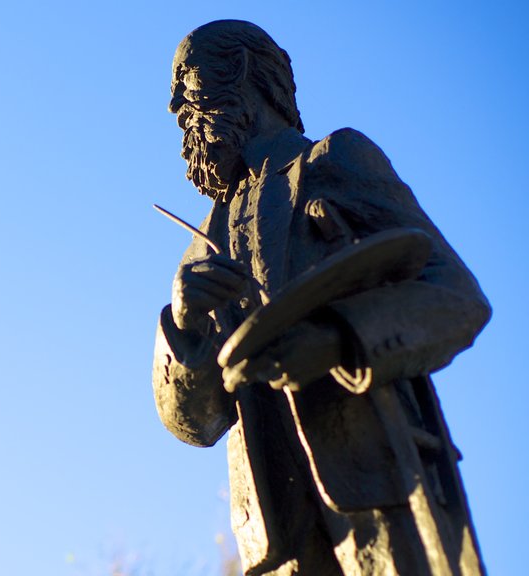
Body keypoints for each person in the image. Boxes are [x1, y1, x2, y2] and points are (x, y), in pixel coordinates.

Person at [152, 20, 490, 575]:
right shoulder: (201, 244)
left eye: (184, 80)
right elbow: (194, 425)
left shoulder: (336, 161)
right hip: (274, 534)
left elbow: (455, 296)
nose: (173, 107)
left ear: (238, 72)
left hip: (380, 488)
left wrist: (338, 339)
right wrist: (185, 326)